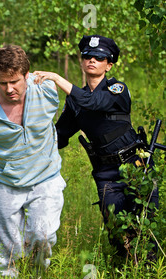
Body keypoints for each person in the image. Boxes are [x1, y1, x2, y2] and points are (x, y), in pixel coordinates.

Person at [34, 35, 159, 259]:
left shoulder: (117, 89)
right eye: (87, 56)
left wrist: (55, 78)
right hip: (106, 173)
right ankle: (123, 274)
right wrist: (28, 128)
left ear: (108, 65)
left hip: (135, 165)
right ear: (82, 62)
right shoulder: (74, 101)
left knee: (145, 227)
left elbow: (93, 102)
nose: (92, 60)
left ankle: (148, 278)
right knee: (116, 230)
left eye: (99, 57)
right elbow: (59, 136)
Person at [0, 45, 66, 279]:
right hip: (4, 181)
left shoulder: (47, 91)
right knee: (7, 248)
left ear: (27, 75)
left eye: (14, 81)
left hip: (45, 177)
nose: (9, 89)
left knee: (43, 236)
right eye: (2, 83)